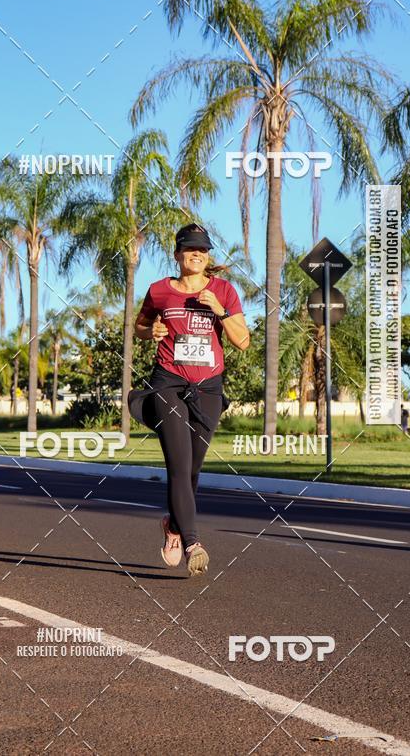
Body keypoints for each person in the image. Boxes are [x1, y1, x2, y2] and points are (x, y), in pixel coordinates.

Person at [129, 223, 250, 577]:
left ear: (208, 256)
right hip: (168, 382)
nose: (197, 254)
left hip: (208, 387)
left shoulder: (224, 291)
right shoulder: (160, 291)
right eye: (190, 249)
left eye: (203, 250)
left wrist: (221, 312)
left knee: (194, 468)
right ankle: (193, 542)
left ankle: (173, 525)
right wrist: (149, 331)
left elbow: (243, 341)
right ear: (177, 254)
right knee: (179, 466)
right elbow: (139, 326)